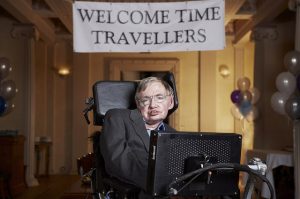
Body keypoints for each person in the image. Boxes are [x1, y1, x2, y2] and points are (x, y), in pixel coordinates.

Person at [100, 76, 176, 194]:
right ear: (137, 104)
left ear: (170, 102)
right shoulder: (117, 117)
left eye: (159, 98)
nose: (153, 105)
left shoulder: (174, 134)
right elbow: (117, 160)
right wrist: (160, 183)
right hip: (138, 191)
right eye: (145, 100)